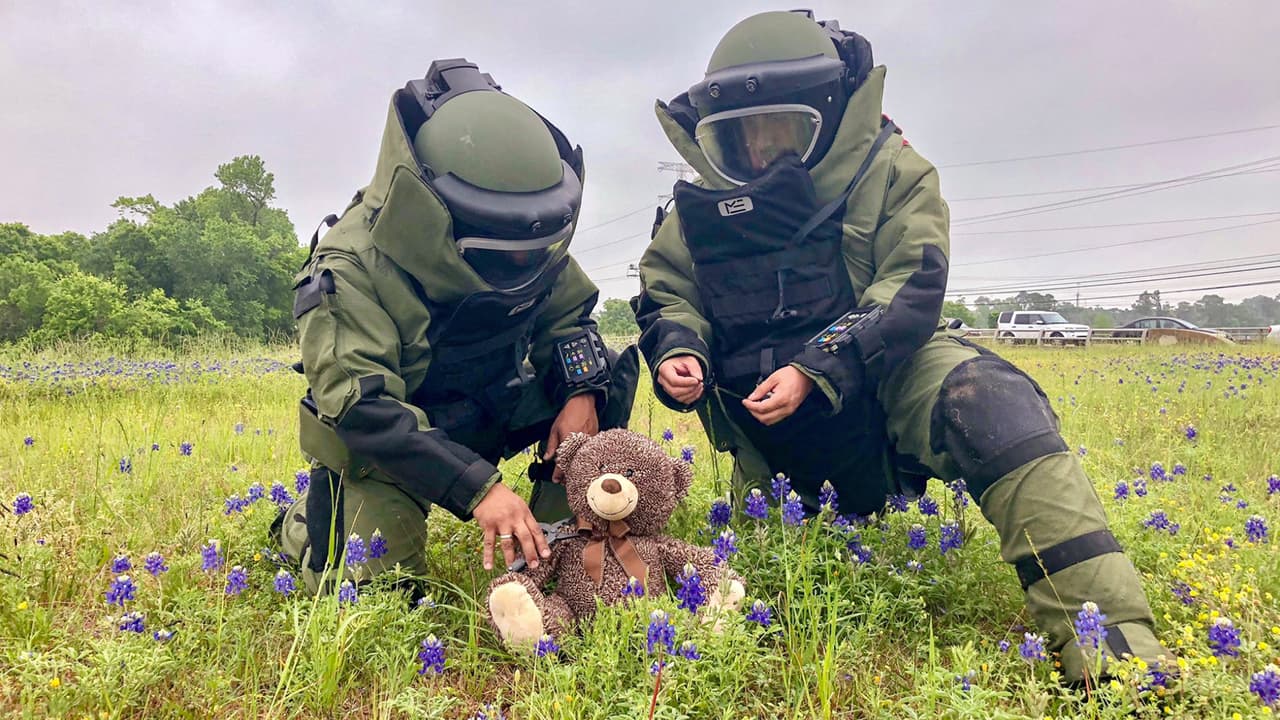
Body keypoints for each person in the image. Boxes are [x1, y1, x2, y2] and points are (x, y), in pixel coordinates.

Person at [634, 10, 1168, 680]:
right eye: (745, 135)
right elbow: (666, 289)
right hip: (766, 427)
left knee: (993, 403)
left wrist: (815, 363)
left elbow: (909, 283)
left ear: (829, 116)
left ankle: (1117, 658)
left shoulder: (890, 169)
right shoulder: (700, 210)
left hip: (884, 381)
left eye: (785, 129)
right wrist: (680, 348)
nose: (764, 150)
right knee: (759, 581)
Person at [279, 58, 638, 594]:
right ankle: (303, 529)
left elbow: (570, 318)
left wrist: (581, 392)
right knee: (377, 597)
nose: (524, 265)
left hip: (493, 401)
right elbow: (362, 407)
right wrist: (479, 489)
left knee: (604, 373)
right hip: (395, 440)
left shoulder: (531, 240)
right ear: (433, 215)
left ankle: (562, 541)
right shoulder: (349, 268)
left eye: (532, 250)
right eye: (504, 251)